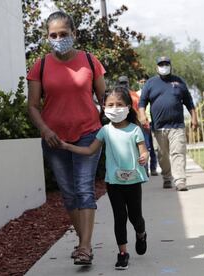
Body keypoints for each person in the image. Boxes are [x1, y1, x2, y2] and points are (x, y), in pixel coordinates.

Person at [26, 11, 106, 266]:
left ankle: (84, 246)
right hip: (54, 140)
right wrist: (45, 130)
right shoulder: (41, 65)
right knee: (69, 194)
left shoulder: (90, 62)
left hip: (87, 133)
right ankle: (84, 244)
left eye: (63, 34)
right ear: (47, 37)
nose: (59, 38)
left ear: (74, 34)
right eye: (53, 35)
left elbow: (104, 100)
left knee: (84, 189)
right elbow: (32, 106)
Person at [60, 86, 149, 270]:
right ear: (104, 107)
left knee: (135, 217)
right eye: (110, 104)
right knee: (119, 217)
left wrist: (144, 157)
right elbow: (89, 150)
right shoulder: (105, 131)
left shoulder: (135, 130)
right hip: (114, 183)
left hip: (133, 182)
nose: (115, 108)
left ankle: (141, 233)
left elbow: (144, 151)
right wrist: (68, 147)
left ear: (127, 107)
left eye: (119, 104)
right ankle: (123, 253)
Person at [138, 56, 198, 191]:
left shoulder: (179, 82)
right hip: (158, 127)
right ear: (156, 67)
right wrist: (142, 116)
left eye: (166, 64)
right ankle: (166, 177)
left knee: (178, 153)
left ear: (170, 66)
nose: (164, 66)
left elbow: (189, 102)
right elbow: (142, 102)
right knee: (162, 154)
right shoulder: (150, 83)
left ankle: (180, 181)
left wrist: (194, 118)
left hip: (177, 126)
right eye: (161, 64)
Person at [137, 75, 159, 176]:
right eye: (141, 81)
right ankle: (145, 170)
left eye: (145, 81)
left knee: (154, 147)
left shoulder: (152, 93)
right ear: (138, 82)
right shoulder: (136, 95)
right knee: (145, 146)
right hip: (142, 124)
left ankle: (153, 168)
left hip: (153, 122)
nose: (143, 83)